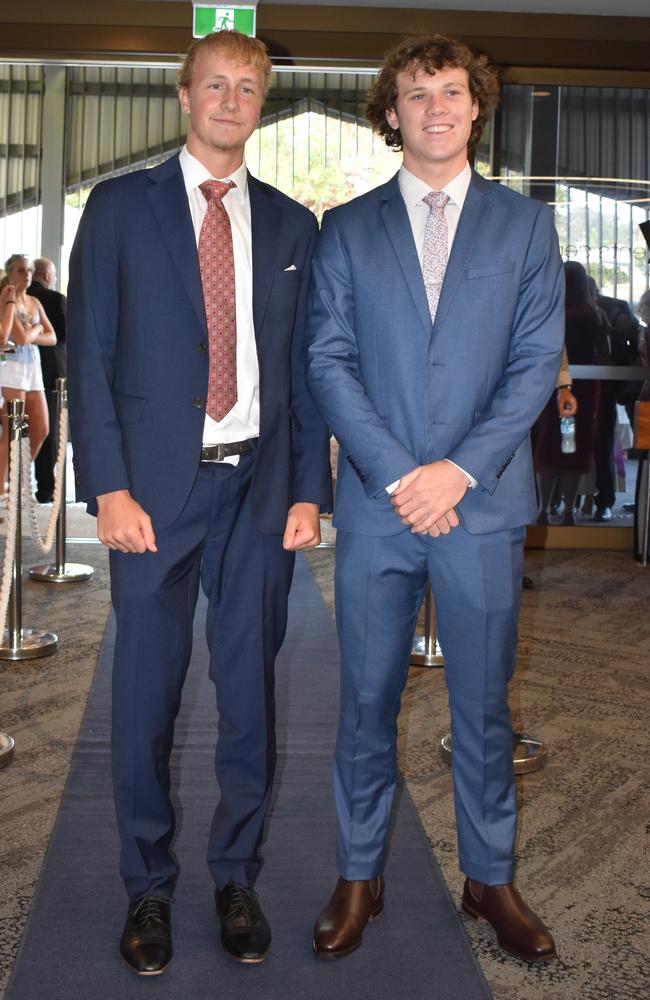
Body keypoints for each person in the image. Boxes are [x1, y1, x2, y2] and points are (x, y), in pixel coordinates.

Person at [67, 29, 331, 976]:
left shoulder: (297, 225)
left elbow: (304, 374)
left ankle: (235, 876)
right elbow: (88, 358)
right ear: (184, 97)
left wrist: (309, 490)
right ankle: (147, 882)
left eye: (248, 87)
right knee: (143, 692)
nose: (231, 99)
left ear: (261, 103)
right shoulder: (118, 207)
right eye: (214, 84)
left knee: (250, 694)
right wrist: (106, 486)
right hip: (149, 496)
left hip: (258, 493)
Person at [306, 33, 564, 964]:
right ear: (391, 113)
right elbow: (327, 361)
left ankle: (489, 879)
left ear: (476, 105)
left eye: (453, 92)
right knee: (365, 701)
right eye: (417, 95)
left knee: (484, 709)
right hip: (380, 509)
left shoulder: (526, 227)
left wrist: (456, 473)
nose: (438, 108)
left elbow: (536, 363)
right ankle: (358, 873)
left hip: (482, 506)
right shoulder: (346, 227)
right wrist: (397, 474)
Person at [535, 262, 610, 525]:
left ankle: (544, 510)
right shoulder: (594, 313)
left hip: (556, 387)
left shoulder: (551, 312)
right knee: (573, 451)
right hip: (586, 390)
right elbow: (605, 351)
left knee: (549, 447)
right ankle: (568, 513)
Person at [0, 254, 56, 495]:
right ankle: (3, 488)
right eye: (21, 270)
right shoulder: (5, 299)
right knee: (11, 431)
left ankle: (18, 474)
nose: (27, 275)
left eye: (30, 270)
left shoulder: (34, 302)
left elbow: (52, 337)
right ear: (10, 273)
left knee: (42, 427)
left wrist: (33, 333)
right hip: (10, 367)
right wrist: (36, 329)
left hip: (33, 367)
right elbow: (19, 338)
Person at [27, 257, 67, 503]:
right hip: (51, 374)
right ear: (48, 276)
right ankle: (45, 488)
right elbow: (62, 336)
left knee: (14, 430)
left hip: (17, 375)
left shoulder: (13, 298)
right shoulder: (55, 300)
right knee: (48, 432)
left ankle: (12, 481)